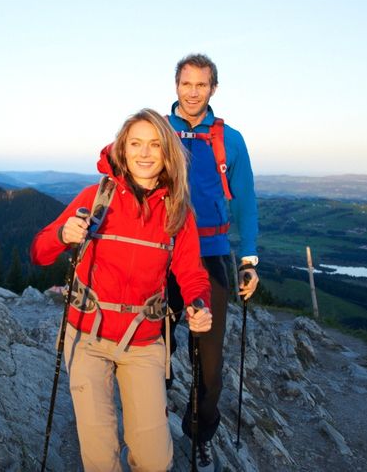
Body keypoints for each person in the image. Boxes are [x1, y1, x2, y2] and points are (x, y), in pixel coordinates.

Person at [31, 108, 213, 472]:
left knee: (155, 459)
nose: (144, 153)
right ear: (122, 149)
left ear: (167, 153)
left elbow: (192, 274)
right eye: (135, 144)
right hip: (87, 337)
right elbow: (38, 251)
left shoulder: (178, 211)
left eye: (154, 144)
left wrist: (199, 304)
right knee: (100, 457)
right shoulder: (95, 197)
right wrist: (62, 234)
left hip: (144, 341)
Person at [165, 54, 259, 472]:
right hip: (161, 254)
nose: (192, 92)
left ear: (213, 89)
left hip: (212, 254)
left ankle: (200, 433)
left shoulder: (230, 139)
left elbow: (246, 201)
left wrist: (249, 259)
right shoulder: (157, 131)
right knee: (153, 345)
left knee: (210, 358)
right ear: (176, 85)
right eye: (187, 84)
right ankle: (149, 423)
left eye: (201, 85)